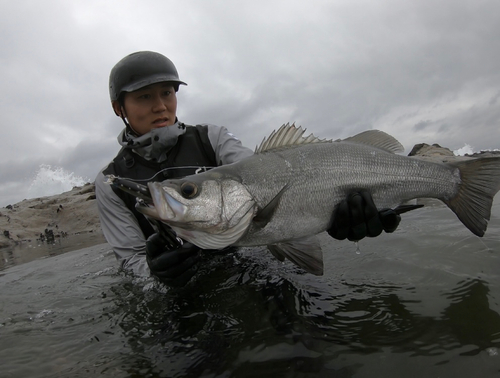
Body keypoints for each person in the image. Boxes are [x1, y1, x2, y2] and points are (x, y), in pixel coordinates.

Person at [95, 51, 401, 287]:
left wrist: (325, 209)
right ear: (118, 108)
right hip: (182, 296)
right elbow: (130, 261)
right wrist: (157, 274)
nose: (160, 106)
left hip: (249, 267)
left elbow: (262, 174)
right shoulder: (110, 183)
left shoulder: (211, 137)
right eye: (144, 97)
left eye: (167, 93)